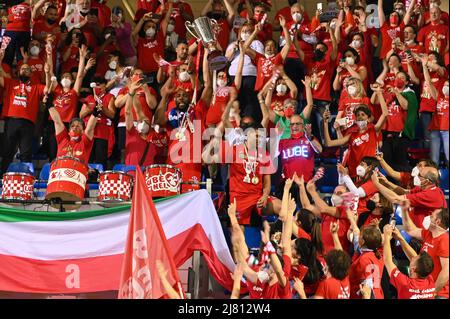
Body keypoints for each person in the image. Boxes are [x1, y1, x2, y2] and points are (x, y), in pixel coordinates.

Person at [0, 50, 51, 175]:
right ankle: (2, 177)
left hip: (28, 123)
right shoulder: (11, 82)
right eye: (22, 69)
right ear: (18, 71)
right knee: (7, 151)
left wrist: (47, 73)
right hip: (11, 120)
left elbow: (48, 88)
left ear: (31, 73)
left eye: (27, 69)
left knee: (26, 152)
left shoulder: (36, 86)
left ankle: (25, 177)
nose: (24, 70)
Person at [323, 93, 388, 178]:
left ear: (368, 118)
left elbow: (385, 114)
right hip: (353, 173)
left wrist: (379, 93)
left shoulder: (373, 130)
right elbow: (329, 143)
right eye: (357, 115)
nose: (360, 117)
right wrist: (325, 122)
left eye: (363, 115)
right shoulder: (351, 135)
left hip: (369, 173)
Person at [400, 201, 449, 299]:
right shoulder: (429, 234)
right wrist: (404, 210)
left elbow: (446, 271)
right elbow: (410, 230)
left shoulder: (444, 240)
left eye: (432, 216)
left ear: (437, 222)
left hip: (439, 294)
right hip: (426, 290)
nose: (428, 217)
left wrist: (432, 292)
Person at [372, 167, 447, 228]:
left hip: (425, 234)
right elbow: (405, 192)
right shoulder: (423, 188)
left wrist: (376, 184)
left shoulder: (430, 195)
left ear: (427, 181)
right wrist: (387, 183)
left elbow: (395, 199)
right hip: (416, 229)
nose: (416, 177)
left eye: (420, 175)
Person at [383, 223, 436, 299]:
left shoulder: (405, 284)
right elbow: (415, 259)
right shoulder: (429, 280)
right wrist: (400, 238)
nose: (413, 258)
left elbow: (387, 261)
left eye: (414, 259)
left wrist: (387, 237)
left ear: (413, 269)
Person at [46, 93, 98, 165]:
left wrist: (95, 113)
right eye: (72, 126)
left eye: (78, 126)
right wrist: (50, 105)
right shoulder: (62, 139)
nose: (75, 128)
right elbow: (57, 122)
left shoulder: (85, 142)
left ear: (83, 131)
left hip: (78, 174)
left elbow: (90, 128)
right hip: (60, 173)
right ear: (69, 130)